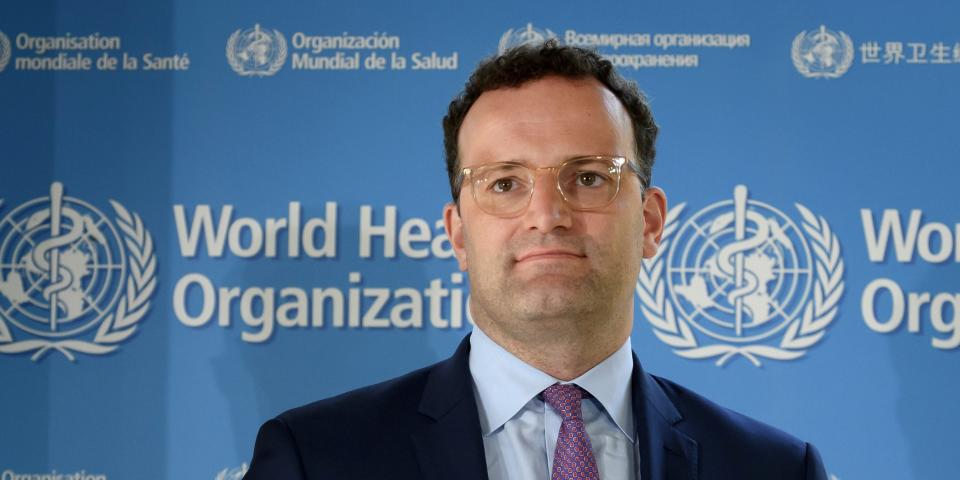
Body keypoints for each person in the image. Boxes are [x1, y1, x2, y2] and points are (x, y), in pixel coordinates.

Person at [244, 40, 829, 480]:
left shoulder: (774, 468)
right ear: (458, 235)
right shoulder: (316, 458)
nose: (547, 214)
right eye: (504, 184)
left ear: (650, 222)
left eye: (590, 177)